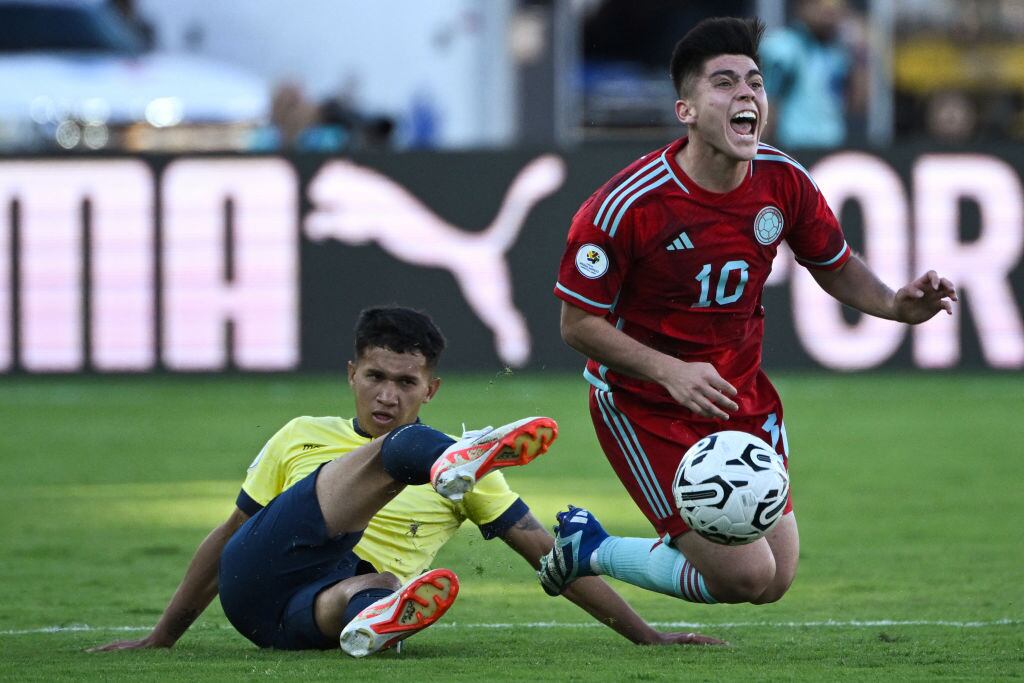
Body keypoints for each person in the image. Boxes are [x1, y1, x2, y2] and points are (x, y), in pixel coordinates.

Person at [540, 17, 956, 612]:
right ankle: (592, 549)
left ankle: (588, 547)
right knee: (741, 576)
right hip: (647, 404)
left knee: (775, 579)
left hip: (738, 395)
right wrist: (670, 372)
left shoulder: (782, 180)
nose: (747, 95)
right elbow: (576, 325)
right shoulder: (625, 206)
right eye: (725, 83)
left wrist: (893, 304)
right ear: (685, 109)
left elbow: (833, 263)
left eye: (755, 83)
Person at [90, 306, 718, 656]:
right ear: (351, 375)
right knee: (401, 452)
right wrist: (160, 638)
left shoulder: (476, 480)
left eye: (406, 383)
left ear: (432, 389)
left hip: (307, 624)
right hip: (257, 579)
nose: (387, 394)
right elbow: (228, 536)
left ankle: (378, 622)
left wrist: (647, 637)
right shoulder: (301, 433)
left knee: (379, 586)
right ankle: (436, 459)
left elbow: (553, 559)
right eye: (375, 377)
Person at [759, 0, 866, 149]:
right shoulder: (783, 47)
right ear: (801, 7)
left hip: (832, 146)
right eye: (817, 4)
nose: (826, 11)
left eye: (833, 5)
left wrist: (859, 54)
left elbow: (857, 105)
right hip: (795, 146)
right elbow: (768, 103)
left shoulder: (840, 53)